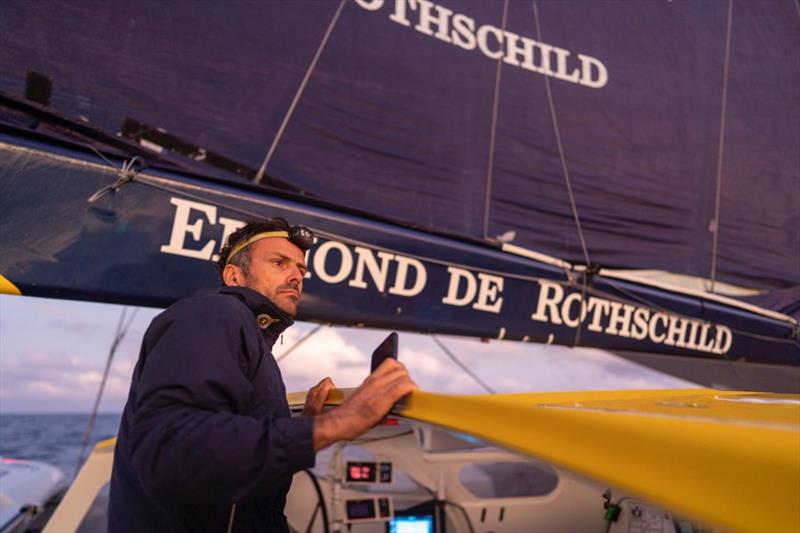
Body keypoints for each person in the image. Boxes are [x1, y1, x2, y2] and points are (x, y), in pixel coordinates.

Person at [108, 218, 417, 532]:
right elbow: (172, 452)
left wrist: (306, 424)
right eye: (279, 262)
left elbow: (238, 468)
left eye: (301, 270)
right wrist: (342, 420)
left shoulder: (251, 340)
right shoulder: (212, 314)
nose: (296, 276)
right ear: (234, 275)